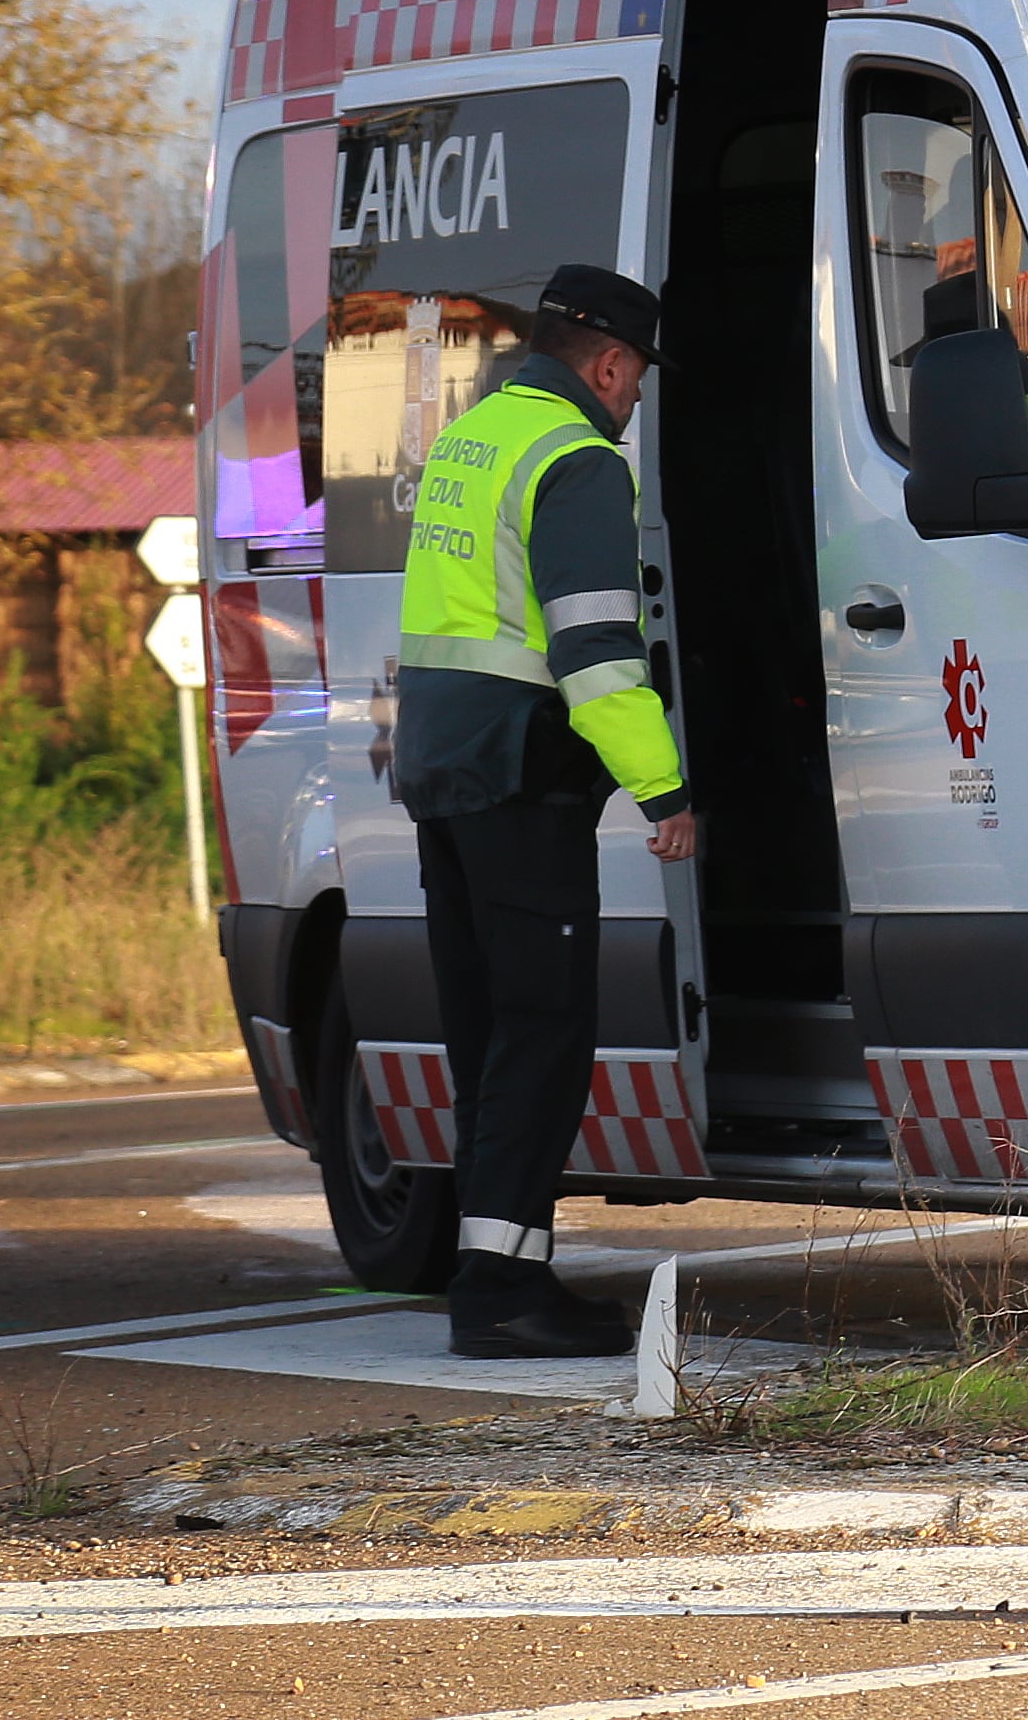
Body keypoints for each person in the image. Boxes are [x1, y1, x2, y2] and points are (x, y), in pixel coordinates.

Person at [389, 264, 700, 1357]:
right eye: (638, 383)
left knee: (488, 1033)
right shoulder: (576, 461)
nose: (634, 403)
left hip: (445, 768)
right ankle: (502, 1295)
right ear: (610, 364)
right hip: (522, 779)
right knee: (541, 1030)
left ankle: (499, 1276)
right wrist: (663, 787)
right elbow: (598, 652)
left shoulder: (474, 440)